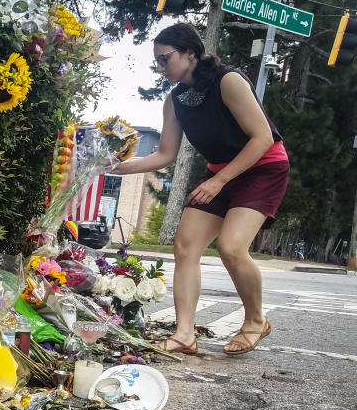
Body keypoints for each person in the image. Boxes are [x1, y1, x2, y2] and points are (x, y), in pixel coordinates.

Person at [110, 23, 289, 356]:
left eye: (165, 60)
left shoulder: (228, 81)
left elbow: (262, 138)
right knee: (185, 246)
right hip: (220, 172)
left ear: (190, 52)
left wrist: (218, 181)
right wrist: (118, 166)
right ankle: (184, 334)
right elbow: (164, 154)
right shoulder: (175, 100)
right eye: (157, 63)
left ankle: (255, 321)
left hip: (263, 166)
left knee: (231, 247)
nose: (161, 68)